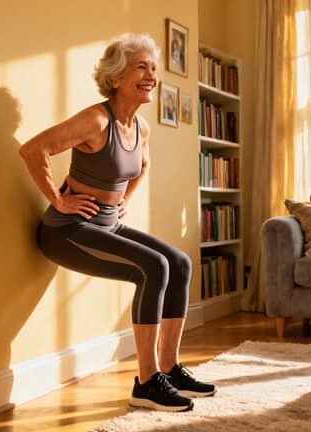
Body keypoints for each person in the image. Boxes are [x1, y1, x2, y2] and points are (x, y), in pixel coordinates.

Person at [19, 34, 216, 413]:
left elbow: (142, 166)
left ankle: (170, 369)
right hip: (67, 231)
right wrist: (59, 199)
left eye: (153, 68)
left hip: (108, 225)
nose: (151, 75)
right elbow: (33, 149)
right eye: (141, 67)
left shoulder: (140, 127)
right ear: (115, 77)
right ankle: (147, 382)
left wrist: (123, 200)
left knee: (179, 263)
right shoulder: (96, 120)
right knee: (154, 266)